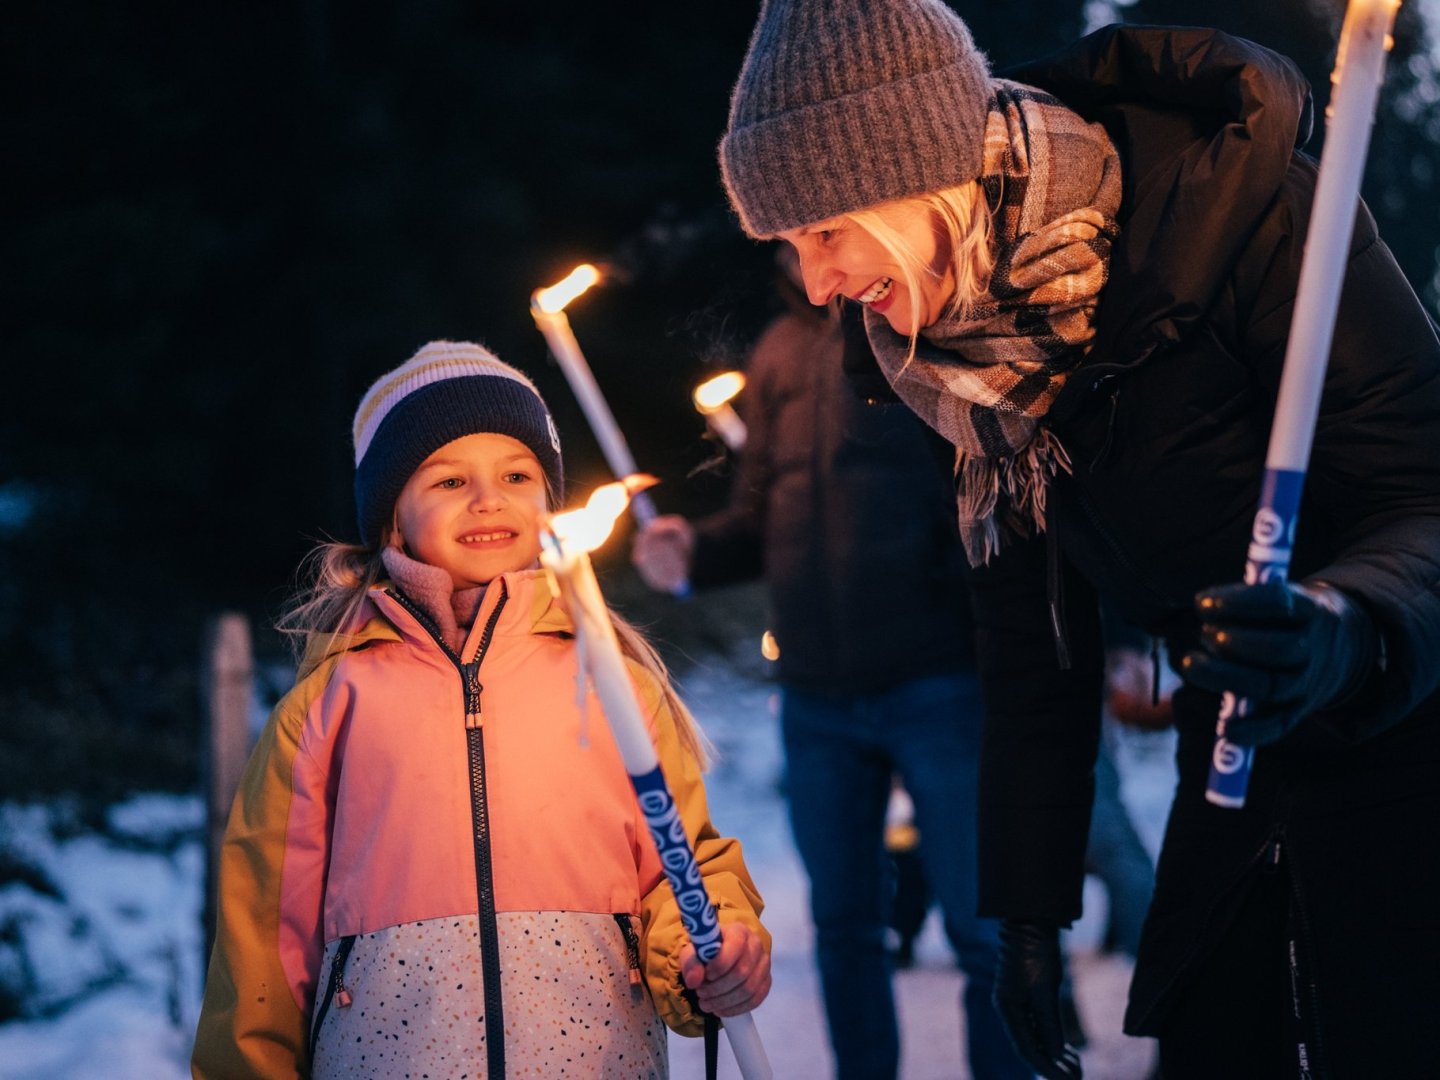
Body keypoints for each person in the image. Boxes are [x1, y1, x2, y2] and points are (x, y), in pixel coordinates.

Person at [717, 3, 1440, 1078]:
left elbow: (1422, 489)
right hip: (1233, 735)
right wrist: (1025, 912)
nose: (816, 281)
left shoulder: (1248, 219)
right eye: (789, 246)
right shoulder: (943, 361)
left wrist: (1348, 624)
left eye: (825, 231)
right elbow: (1028, 642)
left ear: (919, 169)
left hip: (1402, 716)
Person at [192, 340, 771, 1079]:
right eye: (450, 479)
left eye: (517, 474)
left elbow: (683, 866)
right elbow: (263, 941)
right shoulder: (331, 705)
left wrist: (711, 943)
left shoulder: (610, 685)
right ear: (392, 517)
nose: (488, 498)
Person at [632, 253, 1030, 1079]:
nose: (807, 246)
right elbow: (759, 515)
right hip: (818, 696)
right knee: (845, 930)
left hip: (940, 681)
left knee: (983, 926)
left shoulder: (928, 330)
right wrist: (692, 551)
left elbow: (997, 497)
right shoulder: (779, 348)